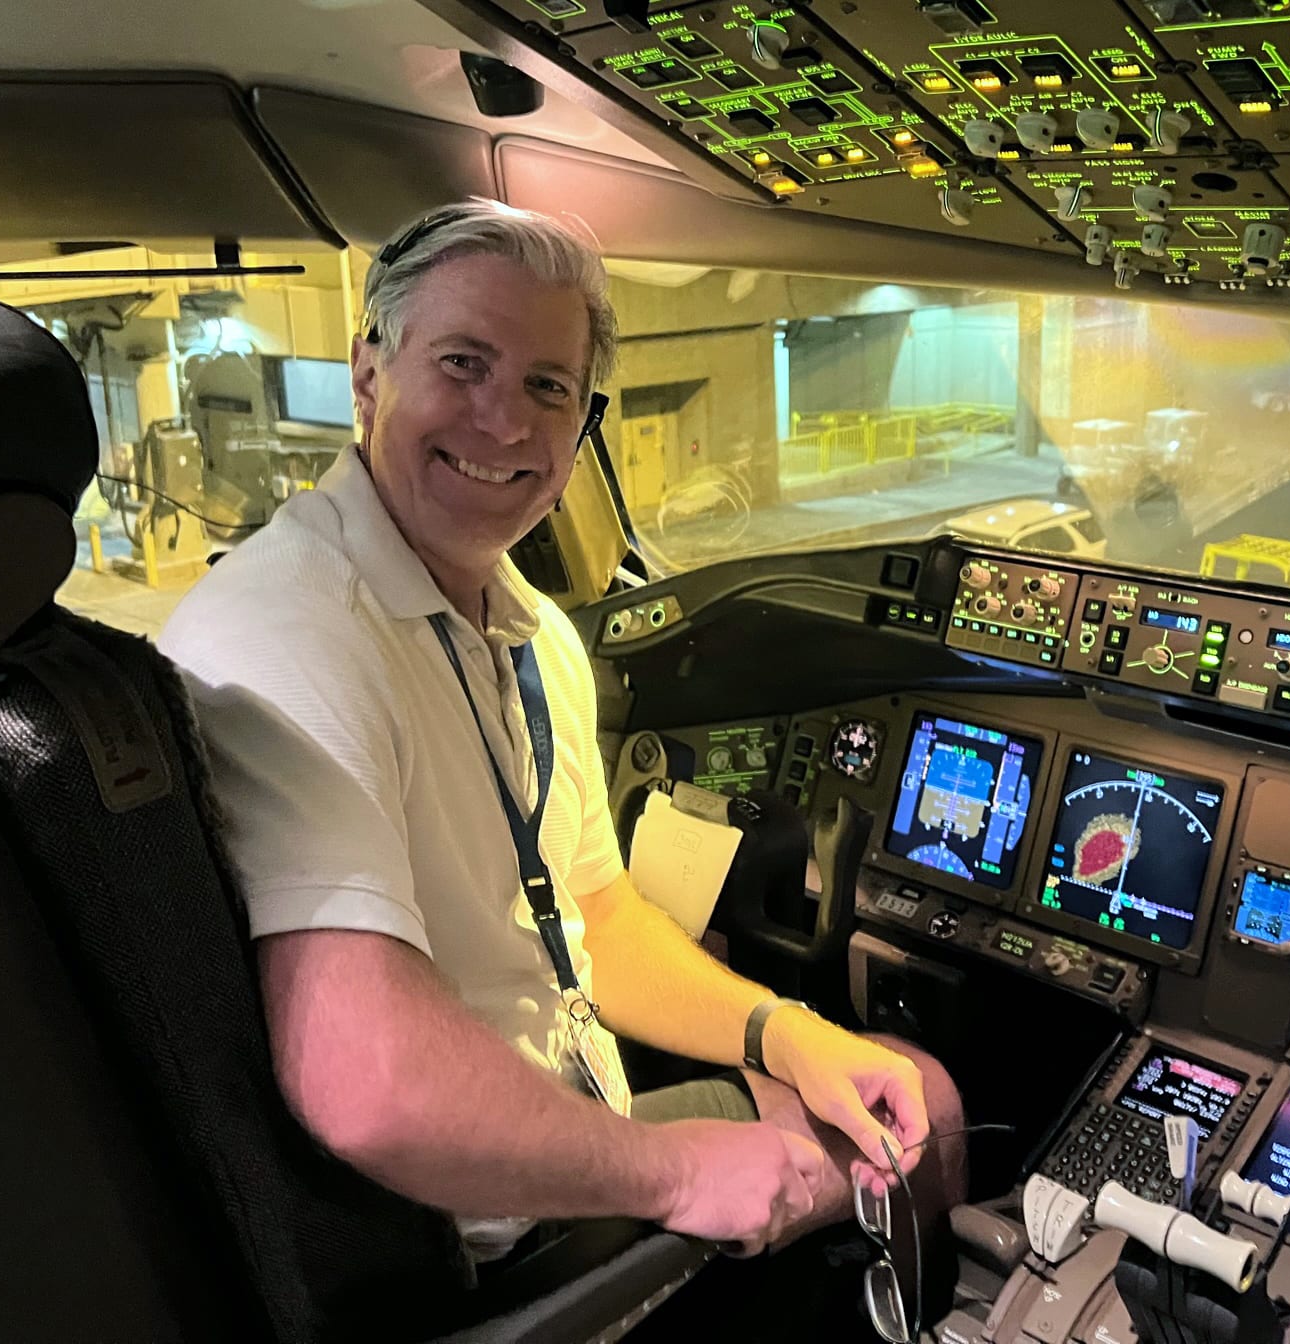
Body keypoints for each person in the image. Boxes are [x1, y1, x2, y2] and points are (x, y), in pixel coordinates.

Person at [158, 200, 965, 1273]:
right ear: (367, 373)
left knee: (858, 1074)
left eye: (548, 387)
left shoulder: (529, 631)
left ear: (584, 420)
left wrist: (784, 1029)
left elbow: (593, 916)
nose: (504, 424)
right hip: (462, 1237)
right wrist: (675, 1172)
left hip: (564, 1137)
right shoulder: (295, 630)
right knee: (932, 1099)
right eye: (463, 362)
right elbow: (365, 1077)